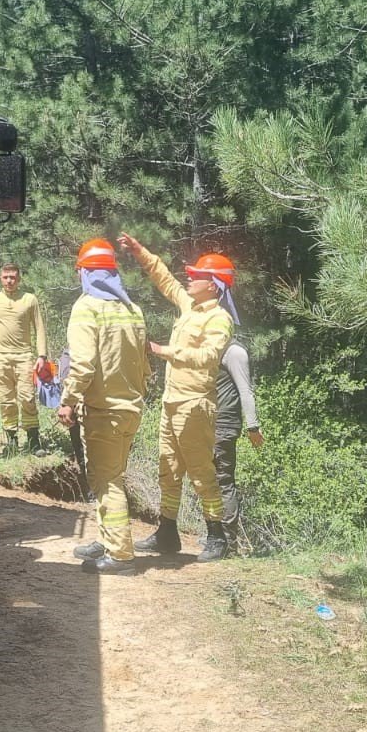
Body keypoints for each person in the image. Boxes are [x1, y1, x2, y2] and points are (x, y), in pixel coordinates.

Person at [118, 233, 234, 563]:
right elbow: (165, 279)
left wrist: (162, 351)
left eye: (197, 275)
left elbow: (209, 356)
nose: (190, 278)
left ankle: (216, 536)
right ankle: (167, 533)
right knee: (168, 469)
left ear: (213, 285)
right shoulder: (190, 306)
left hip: (195, 404)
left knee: (201, 471)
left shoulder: (219, 319)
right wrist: (140, 251)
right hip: (172, 403)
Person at [60, 239, 150, 575]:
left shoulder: (87, 308)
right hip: (130, 409)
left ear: (84, 272)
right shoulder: (133, 309)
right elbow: (144, 365)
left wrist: (67, 400)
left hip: (104, 412)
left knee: (107, 480)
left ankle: (120, 555)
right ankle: (108, 539)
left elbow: (82, 365)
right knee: (111, 476)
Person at [0, 263, 48, 456]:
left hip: (24, 357)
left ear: (19, 279)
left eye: (13, 277)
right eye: (5, 277)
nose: (9, 281)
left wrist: (42, 355)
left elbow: (40, 329)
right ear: (0, 278)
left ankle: (34, 441)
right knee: (6, 401)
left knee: (27, 397)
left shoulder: (29, 299)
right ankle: (11, 442)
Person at [216, 333, 264, 554]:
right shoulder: (212, 348)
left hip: (223, 426)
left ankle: (228, 544)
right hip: (207, 424)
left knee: (223, 481)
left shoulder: (234, 352)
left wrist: (252, 426)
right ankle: (216, 538)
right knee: (209, 481)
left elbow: (245, 390)